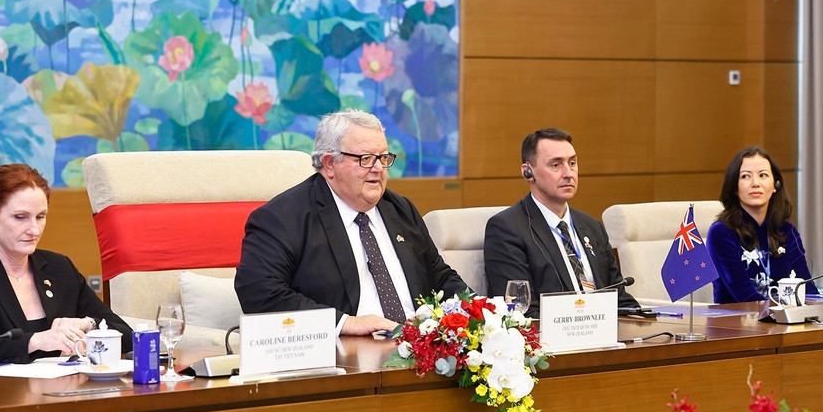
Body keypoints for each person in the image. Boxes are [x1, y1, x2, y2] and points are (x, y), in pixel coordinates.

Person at [235, 109, 467, 335]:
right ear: (329, 164)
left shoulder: (400, 210)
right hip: (341, 355)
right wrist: (345, 323)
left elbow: (440, 276)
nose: (378, 169)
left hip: (417, 349)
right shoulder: (284, 217)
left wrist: (482, 311)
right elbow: (259, 292)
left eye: (383, 158)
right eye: (365, 159)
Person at [0, 164, 132, 365]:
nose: (34, 230)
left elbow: (126, 335)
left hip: (63, 392)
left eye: (40, 217)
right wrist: (34, 341)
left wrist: (88, 325)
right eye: (21, 217)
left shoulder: (60, 267)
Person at [483, 128, 639, 317]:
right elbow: (519, 311)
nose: (568, 173)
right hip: (551, 340)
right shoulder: (507, 229)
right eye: (556, 165)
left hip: (604, 336)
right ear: (528, 172)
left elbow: (619, 298)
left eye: (572, 163)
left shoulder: (592, 227)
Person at [706, 146, 817, 303]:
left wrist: (820, 309)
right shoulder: (721, 233)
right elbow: (745, 297)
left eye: (763, 175)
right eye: (745, 176)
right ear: (734, 188)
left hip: (784, 322)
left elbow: (808, 289)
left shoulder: (787, 231)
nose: (755, 183)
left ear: (775, 186)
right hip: (735, 323)